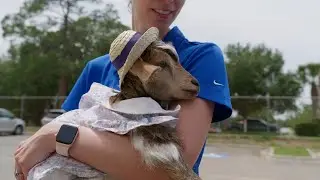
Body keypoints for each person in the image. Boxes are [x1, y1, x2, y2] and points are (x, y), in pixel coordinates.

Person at [13, 0, 232, 180]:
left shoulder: (200, 57)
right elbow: (58, 154)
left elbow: (172, 170)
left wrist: (57, 136)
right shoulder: (96, 69)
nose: (169, 2)